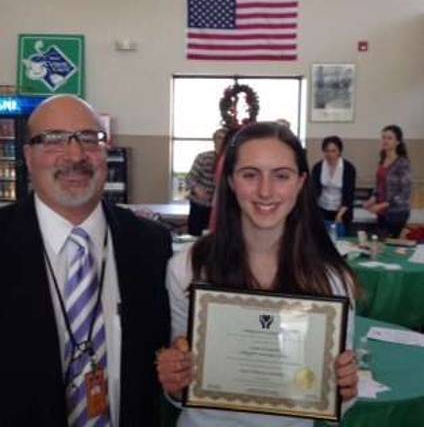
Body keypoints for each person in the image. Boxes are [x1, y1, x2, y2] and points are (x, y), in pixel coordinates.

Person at [157, 122, 358, 427]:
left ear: (301, 183)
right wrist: (174, 380)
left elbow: (333, 403)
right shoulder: (186, 267)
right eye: (250, 175)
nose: (266, 191)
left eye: (281, 176)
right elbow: (182, 386)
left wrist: (345, 390)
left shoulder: (332, 279)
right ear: (230, 181)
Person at [0, 95, 172, 426]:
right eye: (54, 140)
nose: (76, 155)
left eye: (89, 139)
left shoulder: (151, 245)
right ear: (27, 156)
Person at [363, 124, 411, 238]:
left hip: (397, 213)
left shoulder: (402, 163)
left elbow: (405, 193)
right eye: (384, 137)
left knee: (387, 244)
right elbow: (379, 185)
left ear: (398, 141)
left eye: (389, 138)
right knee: (381, 243)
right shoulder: (383, 159)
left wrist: (382, 205)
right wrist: (372, 199)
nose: (385, 141)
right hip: (383, 211)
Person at [185, 127, 227, 235]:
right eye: (218, 138)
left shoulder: (231, 160)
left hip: (221, 206)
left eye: (223, 138)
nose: (220, 141)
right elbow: (190, 178)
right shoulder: (203, 157)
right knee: (195, 234)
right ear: (214, 141)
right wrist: (197, 189)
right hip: (200, 204)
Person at [312, 135, 356, 235]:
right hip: (322, 209)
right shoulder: (318, 167)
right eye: (327, 151)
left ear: (339, 151)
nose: (330, 154)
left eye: (333, 151)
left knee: (340, 241)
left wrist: (340, 214)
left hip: (342, 211)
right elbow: (314, 191)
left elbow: (349, 194)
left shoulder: (348, 168)